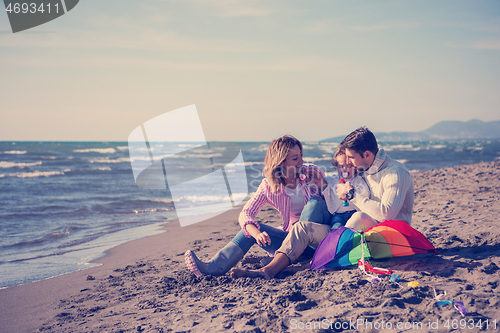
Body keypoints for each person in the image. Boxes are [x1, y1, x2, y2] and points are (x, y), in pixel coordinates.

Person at [231, 127, 414, 280]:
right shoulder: (365, 169)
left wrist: (350, 194)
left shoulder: (394, 173)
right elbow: (333, 186)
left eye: (350, 158)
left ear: (366, 154)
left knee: (357, 216)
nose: (346, 163)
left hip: (385, 238)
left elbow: (386, 214)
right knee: (301, 228)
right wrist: (320, 183)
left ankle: (309, 261)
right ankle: (268, 270)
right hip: (351, 233)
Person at [185, 135, 325, 277]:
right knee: (253, 229)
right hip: (290, 243)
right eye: (295, 158)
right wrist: (257, 234)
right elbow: (245, 213)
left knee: (315, 203)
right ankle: (214, 267)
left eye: (301, 156)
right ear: (281, 162)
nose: (301, 161)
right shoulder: (268, 187)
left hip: (317, 243)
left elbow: (323, 178)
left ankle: (278, 261)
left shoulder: (309, 174)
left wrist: (314, 178)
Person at [322, 147, 370, 230]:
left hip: (354, 214)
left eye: (349, 166)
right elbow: (322, 182)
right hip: (338, 215)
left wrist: (352, 190)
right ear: (336, 166)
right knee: (336, 229)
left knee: (354, 230)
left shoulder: (358, 180)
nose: (344, 169)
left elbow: (366, 193)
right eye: (341, 166)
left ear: (355, 166)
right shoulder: (333, 179)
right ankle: (336, 241)